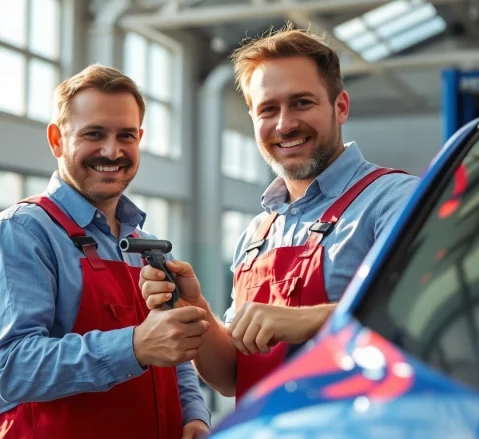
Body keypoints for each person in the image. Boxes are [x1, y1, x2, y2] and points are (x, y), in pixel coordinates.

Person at [139, 24, 421, 401]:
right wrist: (197, 310)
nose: (285, 124)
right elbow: (232, 378)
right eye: (268, 110)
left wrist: (309, 320)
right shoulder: (258, 232)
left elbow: (426, 309)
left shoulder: (395, 200)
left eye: (302, 102)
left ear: (340, 106)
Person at [0, 64, 211, 439]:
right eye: (94, 134)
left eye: (126, 136)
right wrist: (133, 347)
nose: (112, 150)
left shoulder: (143, 243)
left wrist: (193, 415)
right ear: (56, 140)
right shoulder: (22, 232)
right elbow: (12, 368)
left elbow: (171, 343)